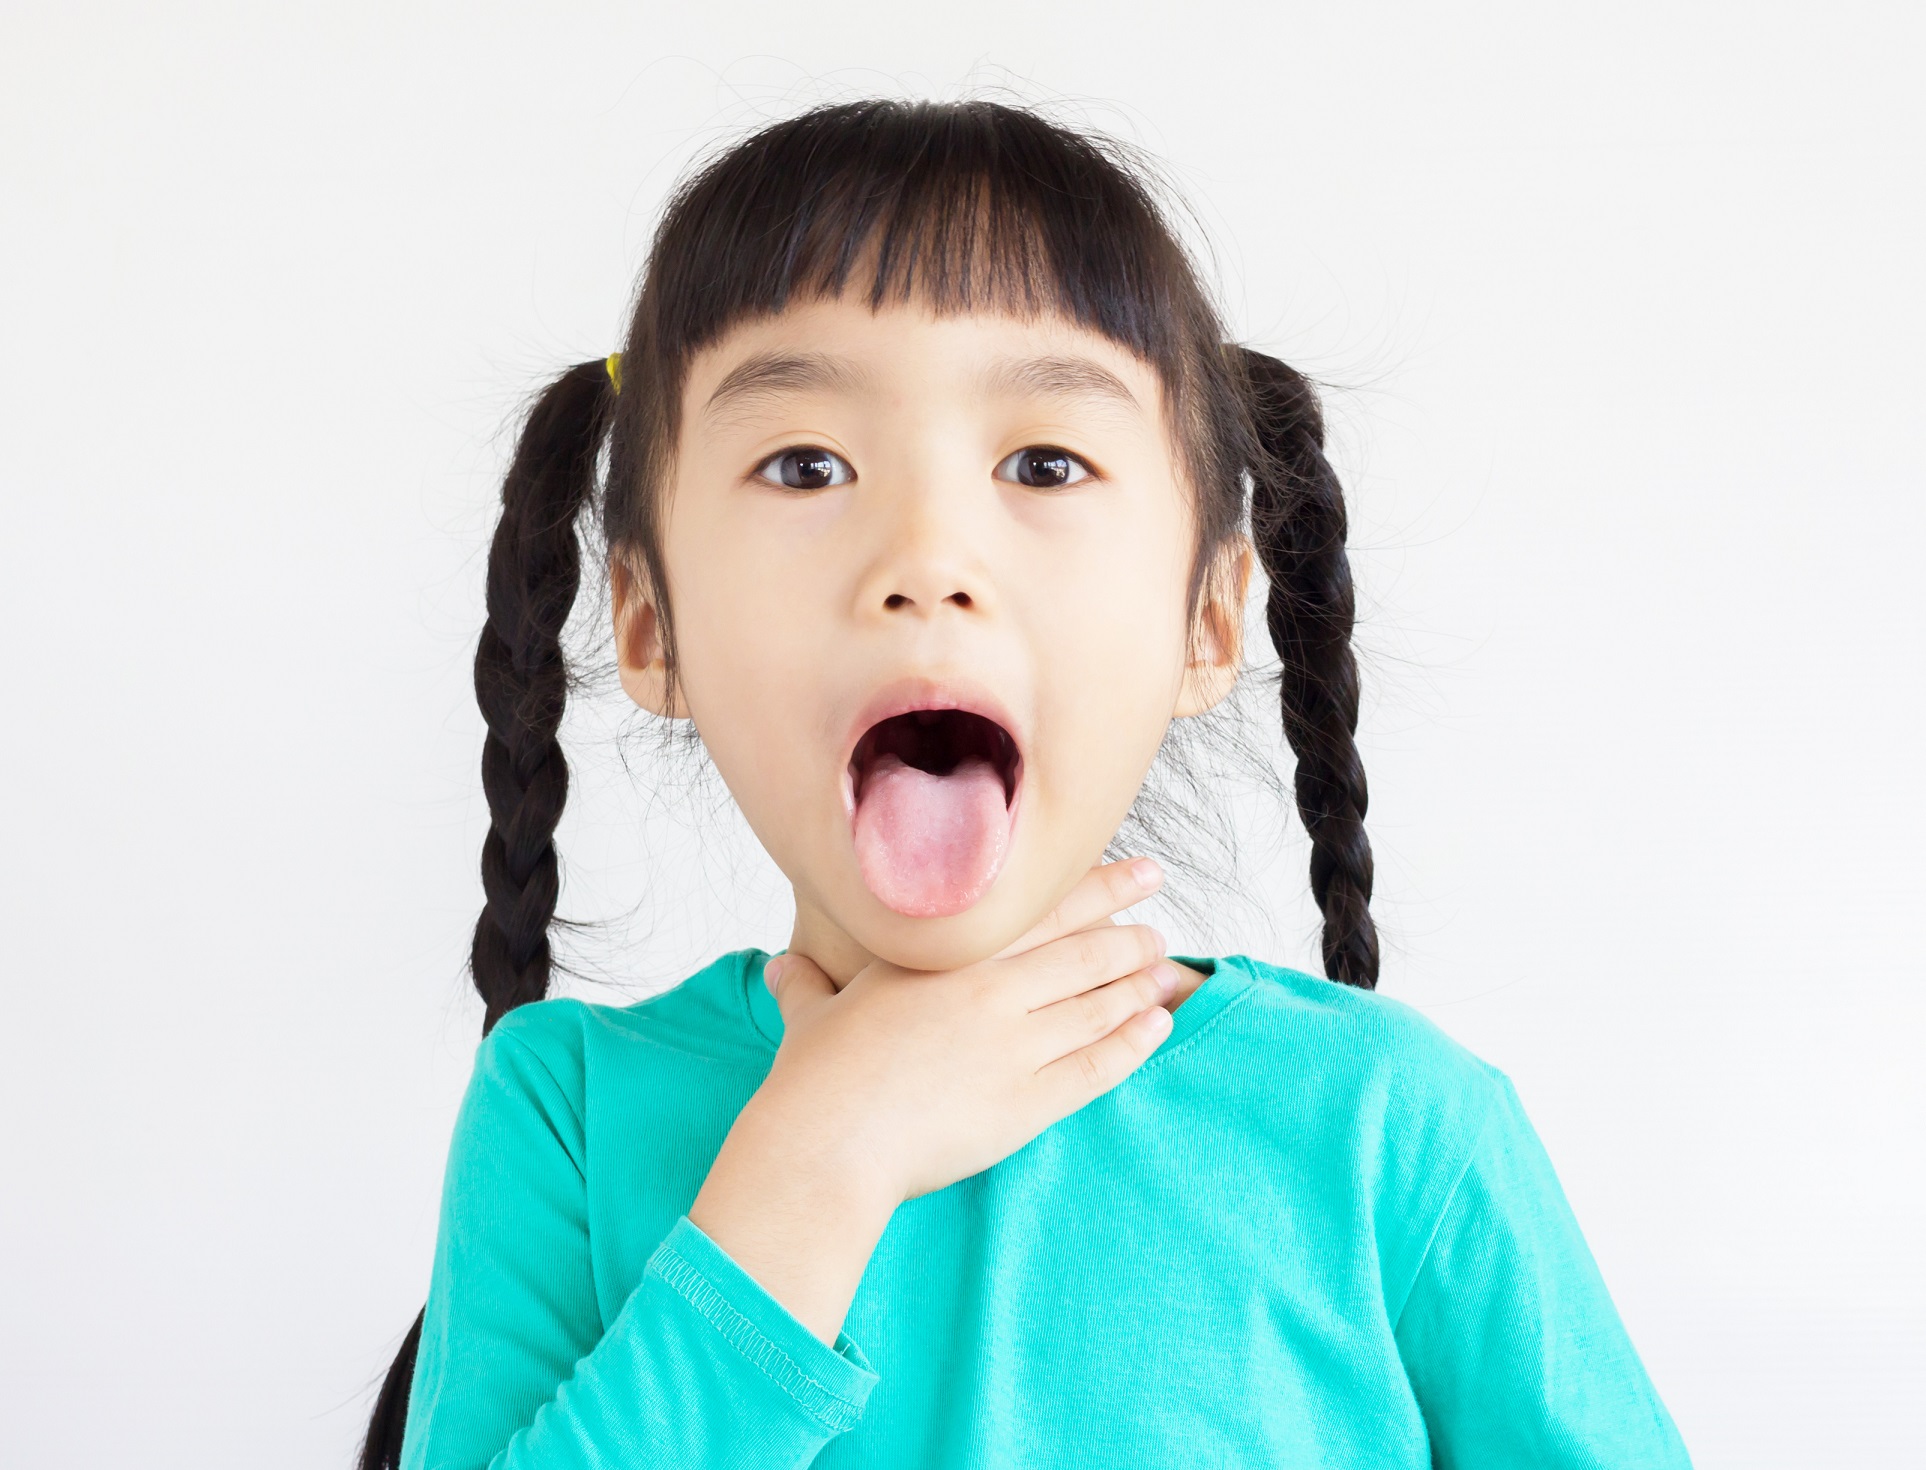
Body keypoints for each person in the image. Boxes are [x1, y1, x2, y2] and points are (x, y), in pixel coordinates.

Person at [365, 98, 1692, 1469]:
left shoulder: (1389, 1126)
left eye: (1045, 463)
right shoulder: (565, 1112)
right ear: (651, 627)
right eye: (806, 465)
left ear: (1208, 620)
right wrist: (815, 1165)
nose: (927, 559)